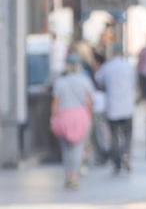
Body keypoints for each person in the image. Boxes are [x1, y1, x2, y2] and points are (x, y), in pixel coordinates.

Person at [49, 50, 96, 189]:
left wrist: (53, 118)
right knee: (78, 148)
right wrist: (90, 116)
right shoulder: (85, 81)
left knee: (66, 150)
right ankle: (75, 176)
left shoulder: (60, 82)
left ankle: (68, 175)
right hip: (80, 116)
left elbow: (55, 103)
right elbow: (90, 101)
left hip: (64, 116)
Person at [97, 44, 137, 174]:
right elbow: (134, 83)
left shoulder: (107, 67)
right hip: (127, 107)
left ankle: (117, 162)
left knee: (114, 136)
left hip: (113, 107)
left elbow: (99, 81)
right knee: (127, 135)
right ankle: (126, 155)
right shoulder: (128, 67)